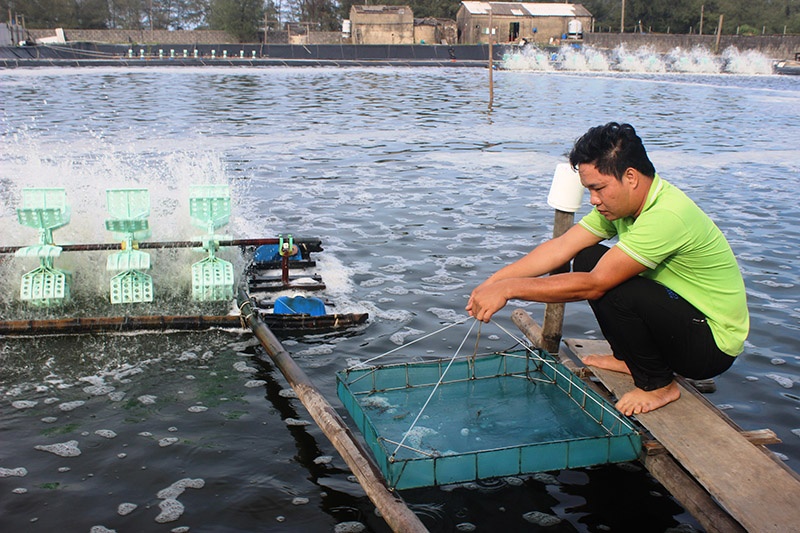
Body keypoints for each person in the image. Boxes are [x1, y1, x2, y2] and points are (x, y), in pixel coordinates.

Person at [466, 122, 749, 416]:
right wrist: (493, 282)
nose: (594, 200)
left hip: (710, 347)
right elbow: (562, 247)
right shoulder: (622, 206)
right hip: (679, 320)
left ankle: (659, 384)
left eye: (598, 188)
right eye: (588, 190)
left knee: (608, 283)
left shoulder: (668, 215)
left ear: (631, 177)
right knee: (588, 257)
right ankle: (630, 359)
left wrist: (509, 290)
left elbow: (595, 285)